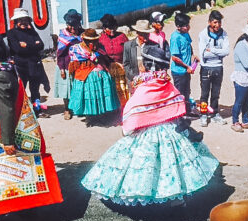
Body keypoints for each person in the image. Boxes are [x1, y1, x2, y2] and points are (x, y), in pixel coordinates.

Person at [80, 47, 218, 206]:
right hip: (170, 132)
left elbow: (133, 112)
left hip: (146, 134)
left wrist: (127, 130)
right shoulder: (166, 84)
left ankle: (153, 198)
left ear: (144, 66)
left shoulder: (143, 88)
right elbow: (178, 103)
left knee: (148, 167)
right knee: (170, 165)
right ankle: (175, 198)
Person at [0, 30, 62, 220]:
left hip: (3, 131)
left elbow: (6, 110)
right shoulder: (6, 70)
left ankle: (15, 207)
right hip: (6, 127)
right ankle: (23, 207)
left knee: (5, 166)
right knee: (18, 166)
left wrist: (7, 140)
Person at [68, 28, 120, 125]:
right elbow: (74, 63)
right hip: (85, 74)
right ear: (85, 40)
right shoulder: (76, 49)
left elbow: (104, 57)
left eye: (94, 40)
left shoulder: (100, 48)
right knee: (89, 94)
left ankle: (101, 114)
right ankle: (90, 116)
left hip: (100, 71)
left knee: (102, 93)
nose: (93, 43)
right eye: (90, 41)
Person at [6, 8, 50, 118]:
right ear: (16, 22)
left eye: (25, 20)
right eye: (20, 20)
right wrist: (33, 45)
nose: (23, 22)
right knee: (20, 90)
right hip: (20, 66)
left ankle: (37, 110)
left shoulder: (32, 32)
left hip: (34, 65)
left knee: (35, 90)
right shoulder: (11, 33)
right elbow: (17, 50)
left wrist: (27, 45)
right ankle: (20, 113)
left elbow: (41, 46)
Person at [198, 10, 229, 127]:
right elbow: (203, 54)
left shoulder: (224, 34)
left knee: (216, 93)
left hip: (218, 67)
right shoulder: (203, 34)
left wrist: (213, 50)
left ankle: (215, 113)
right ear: (210, 22)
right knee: (204, 93)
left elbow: (226, 51)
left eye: (219, 22)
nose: (218, 25)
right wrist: (219, 53)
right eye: (215, 22)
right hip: (206, 68)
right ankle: (203, 114)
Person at [54, 9, 84, 120]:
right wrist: (62, 69)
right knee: (66, 90)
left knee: (79, 88)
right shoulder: (63, 36)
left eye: (75, 25)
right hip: (66, 66)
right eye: (70, 25)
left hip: (81, 66)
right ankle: (67, 109)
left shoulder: (83, 34)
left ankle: (78, 109)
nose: (72, 28)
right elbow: (60, 54)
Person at [170, 13, 199, 117]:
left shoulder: (186, 33)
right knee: (180, 93)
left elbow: (189, 45)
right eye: (185, 25)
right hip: (179, 72)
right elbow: (175, 58)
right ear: (178, 27)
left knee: (187, 91)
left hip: (187, 70)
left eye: (188, 24)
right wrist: (187, 67)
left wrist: (193, 56)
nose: (188, 27)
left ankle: (187, 111)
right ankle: (180, 115)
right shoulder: (175, 38)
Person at [100, 14, 129, 106]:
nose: (112, 30)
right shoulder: (100, 39)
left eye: (113, 27)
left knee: (123, 89)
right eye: (109, 28)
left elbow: (128, 52)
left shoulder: (122, 37)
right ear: (104, 29)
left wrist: (126, 65)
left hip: (121, 68)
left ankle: (124, 109)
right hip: (107, 69)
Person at [123, 19, 154, 94]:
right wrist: (134, 78)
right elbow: (126, 64)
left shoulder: (154, 46)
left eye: (147, 34)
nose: (146, 37)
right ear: (137, 33)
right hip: (134, 80)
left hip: (149, 81)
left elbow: (157, 63)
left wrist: (148, 70)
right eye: (143, 35)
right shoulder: (128, 46)